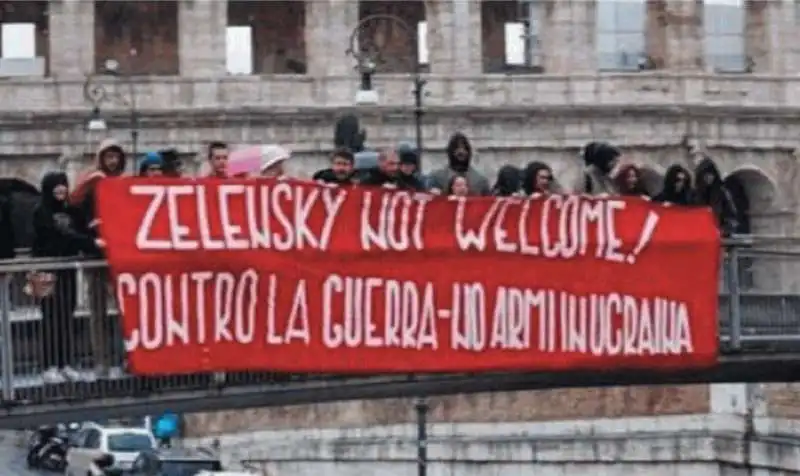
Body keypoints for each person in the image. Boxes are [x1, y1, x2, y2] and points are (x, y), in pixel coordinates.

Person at [32, 172, 101, 383]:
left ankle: (65, 364)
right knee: (50, 319)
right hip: (45, 270)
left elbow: (82, 231)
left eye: (64, 185)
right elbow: (57, 236)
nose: (61, 189)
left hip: (67, 270)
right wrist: (88, 244)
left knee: (66, 317)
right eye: (56, 186)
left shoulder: (71, 211)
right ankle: (48, 365)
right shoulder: (40, 211)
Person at [694, 156, 738, 234]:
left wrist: (722, 230)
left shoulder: (722, 193)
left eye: (711, 175)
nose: (709, 178)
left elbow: (732, 218)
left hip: (717, 235)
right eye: (706, 175)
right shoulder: (694, 194)